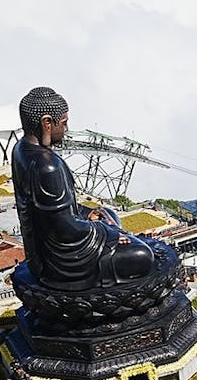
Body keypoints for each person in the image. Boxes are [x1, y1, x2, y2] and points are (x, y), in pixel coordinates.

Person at [10, 87, 157, 291]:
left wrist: (88, 213)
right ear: (47, 123)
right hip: (62, 265)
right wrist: (110, 234)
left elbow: (52, 212)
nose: (67, 129)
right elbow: (65, 230)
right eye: (63, 122)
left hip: (40, 255)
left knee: (109, 212)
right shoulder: (47, 166)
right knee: (142, 255)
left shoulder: (20, 150)